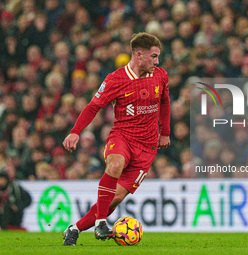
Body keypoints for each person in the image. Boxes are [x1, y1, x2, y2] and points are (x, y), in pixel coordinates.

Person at [62, 32, 170, 245]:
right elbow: (94, 106)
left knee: (115, 198)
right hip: (123, 137)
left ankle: (74, 229)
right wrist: (75, 131)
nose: (157, 62)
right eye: (154, 56)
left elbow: (165, 103)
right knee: (115, 163)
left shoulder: (161, 76)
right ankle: (101, 222)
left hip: (147, 148)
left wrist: (165, 132)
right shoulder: (116, 79)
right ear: (139, 55)